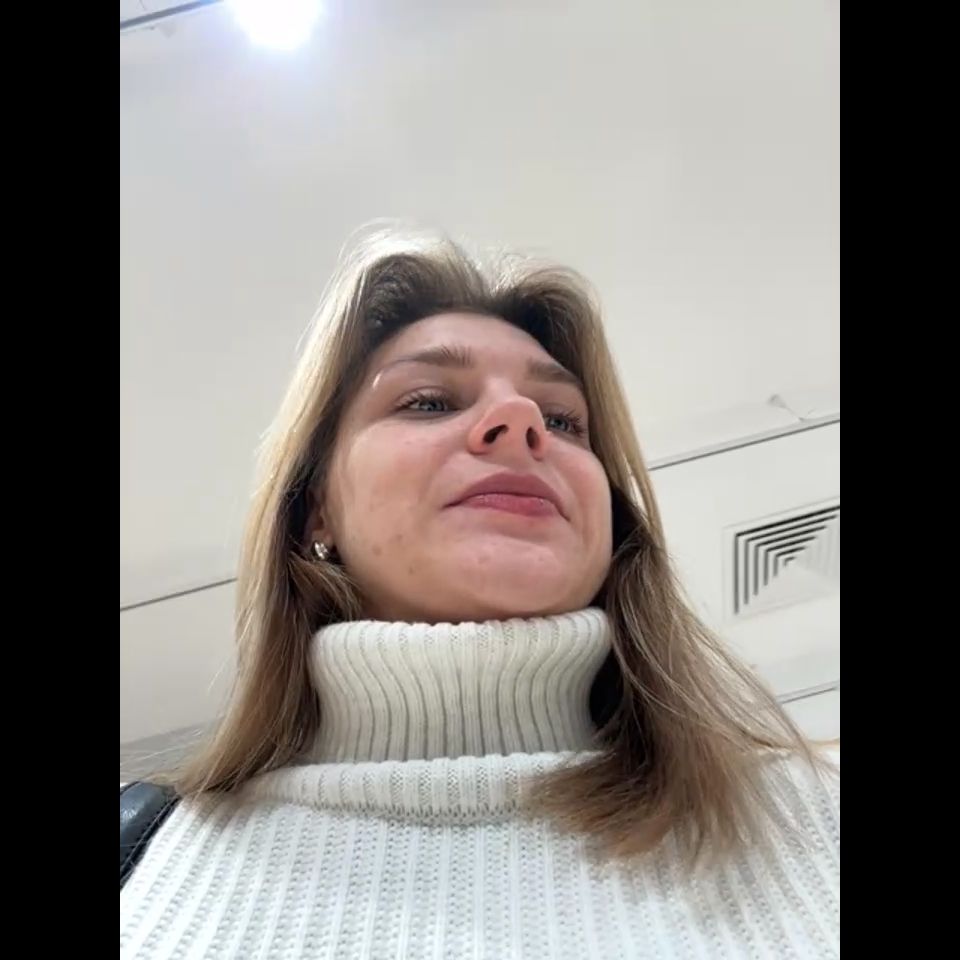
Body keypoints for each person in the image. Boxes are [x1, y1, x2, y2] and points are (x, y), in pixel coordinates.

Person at [120, 228, 839, 959]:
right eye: (429, 401)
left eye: (563, 420)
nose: (521, 421)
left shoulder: (818, 812)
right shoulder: (147, 857)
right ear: (315, 514)